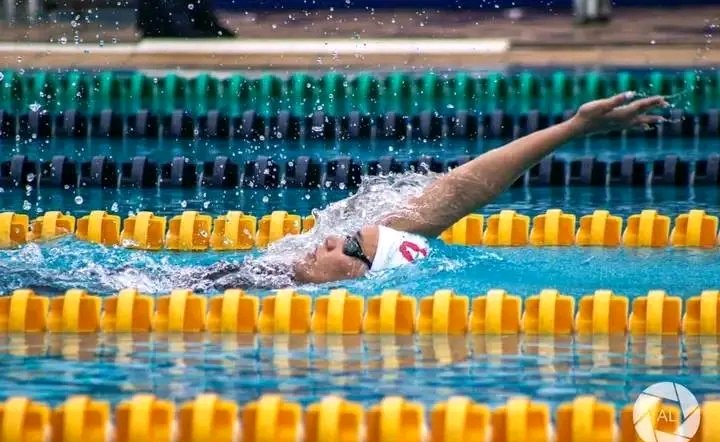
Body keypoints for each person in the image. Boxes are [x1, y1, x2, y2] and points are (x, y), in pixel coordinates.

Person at [202, 92, 667, 290]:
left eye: (348, 245)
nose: (327, 238)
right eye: (347, 236)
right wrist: (573, 128)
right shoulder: (275, 274)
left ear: (367, 277)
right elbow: (459, 191)